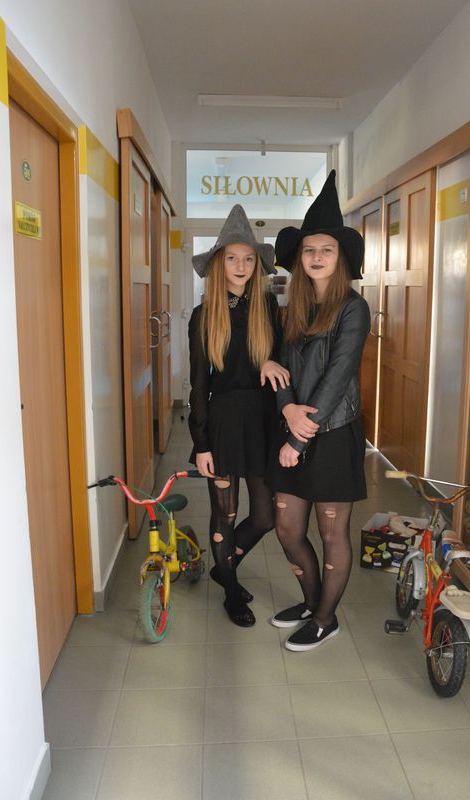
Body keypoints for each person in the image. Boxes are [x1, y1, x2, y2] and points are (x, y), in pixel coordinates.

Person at [266, 170, 370, 650]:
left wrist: (297, 434)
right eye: (309, 249)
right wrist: (287, 410)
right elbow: (282, 367)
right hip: (295, 425)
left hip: (332, 433)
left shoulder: (354, 308)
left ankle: (326, 619)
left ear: (340, 256)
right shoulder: (295, 307)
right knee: (288, 527)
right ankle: (312, 602)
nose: (316, 257)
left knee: (332, 534)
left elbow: (338, 377)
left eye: (326, 249)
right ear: (300, 257)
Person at [188, 204, 289, 627]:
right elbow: (198, 386)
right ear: (219, 263)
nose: (241, 266)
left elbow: (281, 362)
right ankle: (231, 590)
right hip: (224, 424)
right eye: (232, 257)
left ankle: (224, 565)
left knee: (265, 515)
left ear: (257, 264)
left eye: (248, 258)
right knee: (224, 515)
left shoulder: (268, 306)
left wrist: (271, 361)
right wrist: (201, 444)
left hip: (262, 422)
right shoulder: (203, 315)